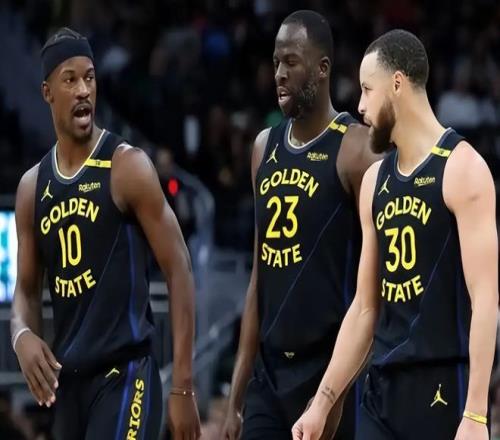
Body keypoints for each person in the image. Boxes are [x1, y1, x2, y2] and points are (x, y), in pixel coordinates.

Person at [292, 29, 498, 440]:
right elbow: (364, 308)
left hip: (442, 390)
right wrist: (322, 403)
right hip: (381, 393)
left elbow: (486, 300)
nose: (360, 105)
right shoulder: (374, 181)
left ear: (397, 84)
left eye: (368, 90)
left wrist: (476, 413)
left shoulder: (463, 169)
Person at [10, 27, 201, 440]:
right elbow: (25, 290)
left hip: (126, 375)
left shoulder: (126, 166)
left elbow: (179, 268)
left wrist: (183, 384)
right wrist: (21, 334)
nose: (83, 90)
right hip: (69, 386)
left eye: (90, 77)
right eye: (70, 79)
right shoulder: (31, 188)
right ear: (47, 92)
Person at [221, 10, 380, 440]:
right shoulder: (263, 147)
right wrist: (235, 399)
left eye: (291, 61)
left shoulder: (357, 150)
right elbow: (259, 278)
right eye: (276, 62)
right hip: (269, 377)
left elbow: (377, 289)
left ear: (322, 68)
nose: (279, 73)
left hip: (329, 369)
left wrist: (336, 390)